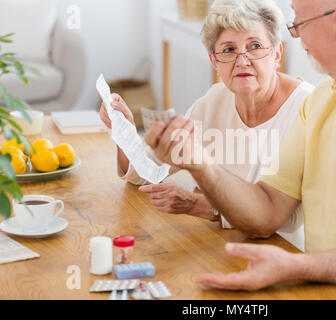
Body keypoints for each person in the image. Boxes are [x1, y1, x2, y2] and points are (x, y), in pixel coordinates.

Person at [144, 0, 336, 299]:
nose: (294, 34)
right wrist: (201, 164)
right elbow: (266, 212)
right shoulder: (321, 103)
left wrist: (298, 266)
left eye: (299, 23)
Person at [99, 0, 314, 247]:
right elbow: (149, 171)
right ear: (214, 61)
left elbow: (287, 219)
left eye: (254, 46)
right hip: (223, 245)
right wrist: (123, 130)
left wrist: (203, 206)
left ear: (276, 53)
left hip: (282, 254)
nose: (242, 60)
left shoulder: (306, 107)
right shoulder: (214, 99)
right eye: (229, 50)